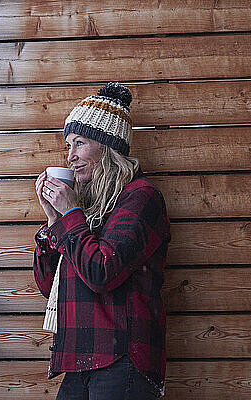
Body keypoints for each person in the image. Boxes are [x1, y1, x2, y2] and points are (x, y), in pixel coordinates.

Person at [33, 82, 171, 400]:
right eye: (68, 145)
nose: (70, 156)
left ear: (105, 145)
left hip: (123, 358)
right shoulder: (87, 211)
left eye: (79, 143)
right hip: (80, 359)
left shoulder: (140, 197)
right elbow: (50, 284)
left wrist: (69, 215)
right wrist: (55, 221)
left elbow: (102, 272)